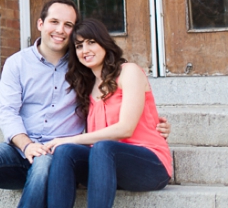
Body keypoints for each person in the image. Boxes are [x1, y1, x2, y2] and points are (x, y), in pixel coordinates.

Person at [0, 0, 169, 208]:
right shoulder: (19, 63)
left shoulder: (84, 70)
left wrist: (151, 122)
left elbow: (125, 119)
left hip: (61, 151)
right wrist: (26, 145)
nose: (60, 30)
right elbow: (7, 112)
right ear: (41, 24)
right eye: (54, 22)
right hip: (22, 147)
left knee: (48, 164)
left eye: (68, 25)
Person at [45, 18, 172, 208]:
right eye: (79, 46)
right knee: (65, 152)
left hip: (150, 165)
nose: (85, 50)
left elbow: (126, 129)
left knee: (103, 147)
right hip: (105, 167)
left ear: (104, 42)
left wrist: (68, 138)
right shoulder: (87, 88)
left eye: (91, 42)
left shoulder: (129, 72)